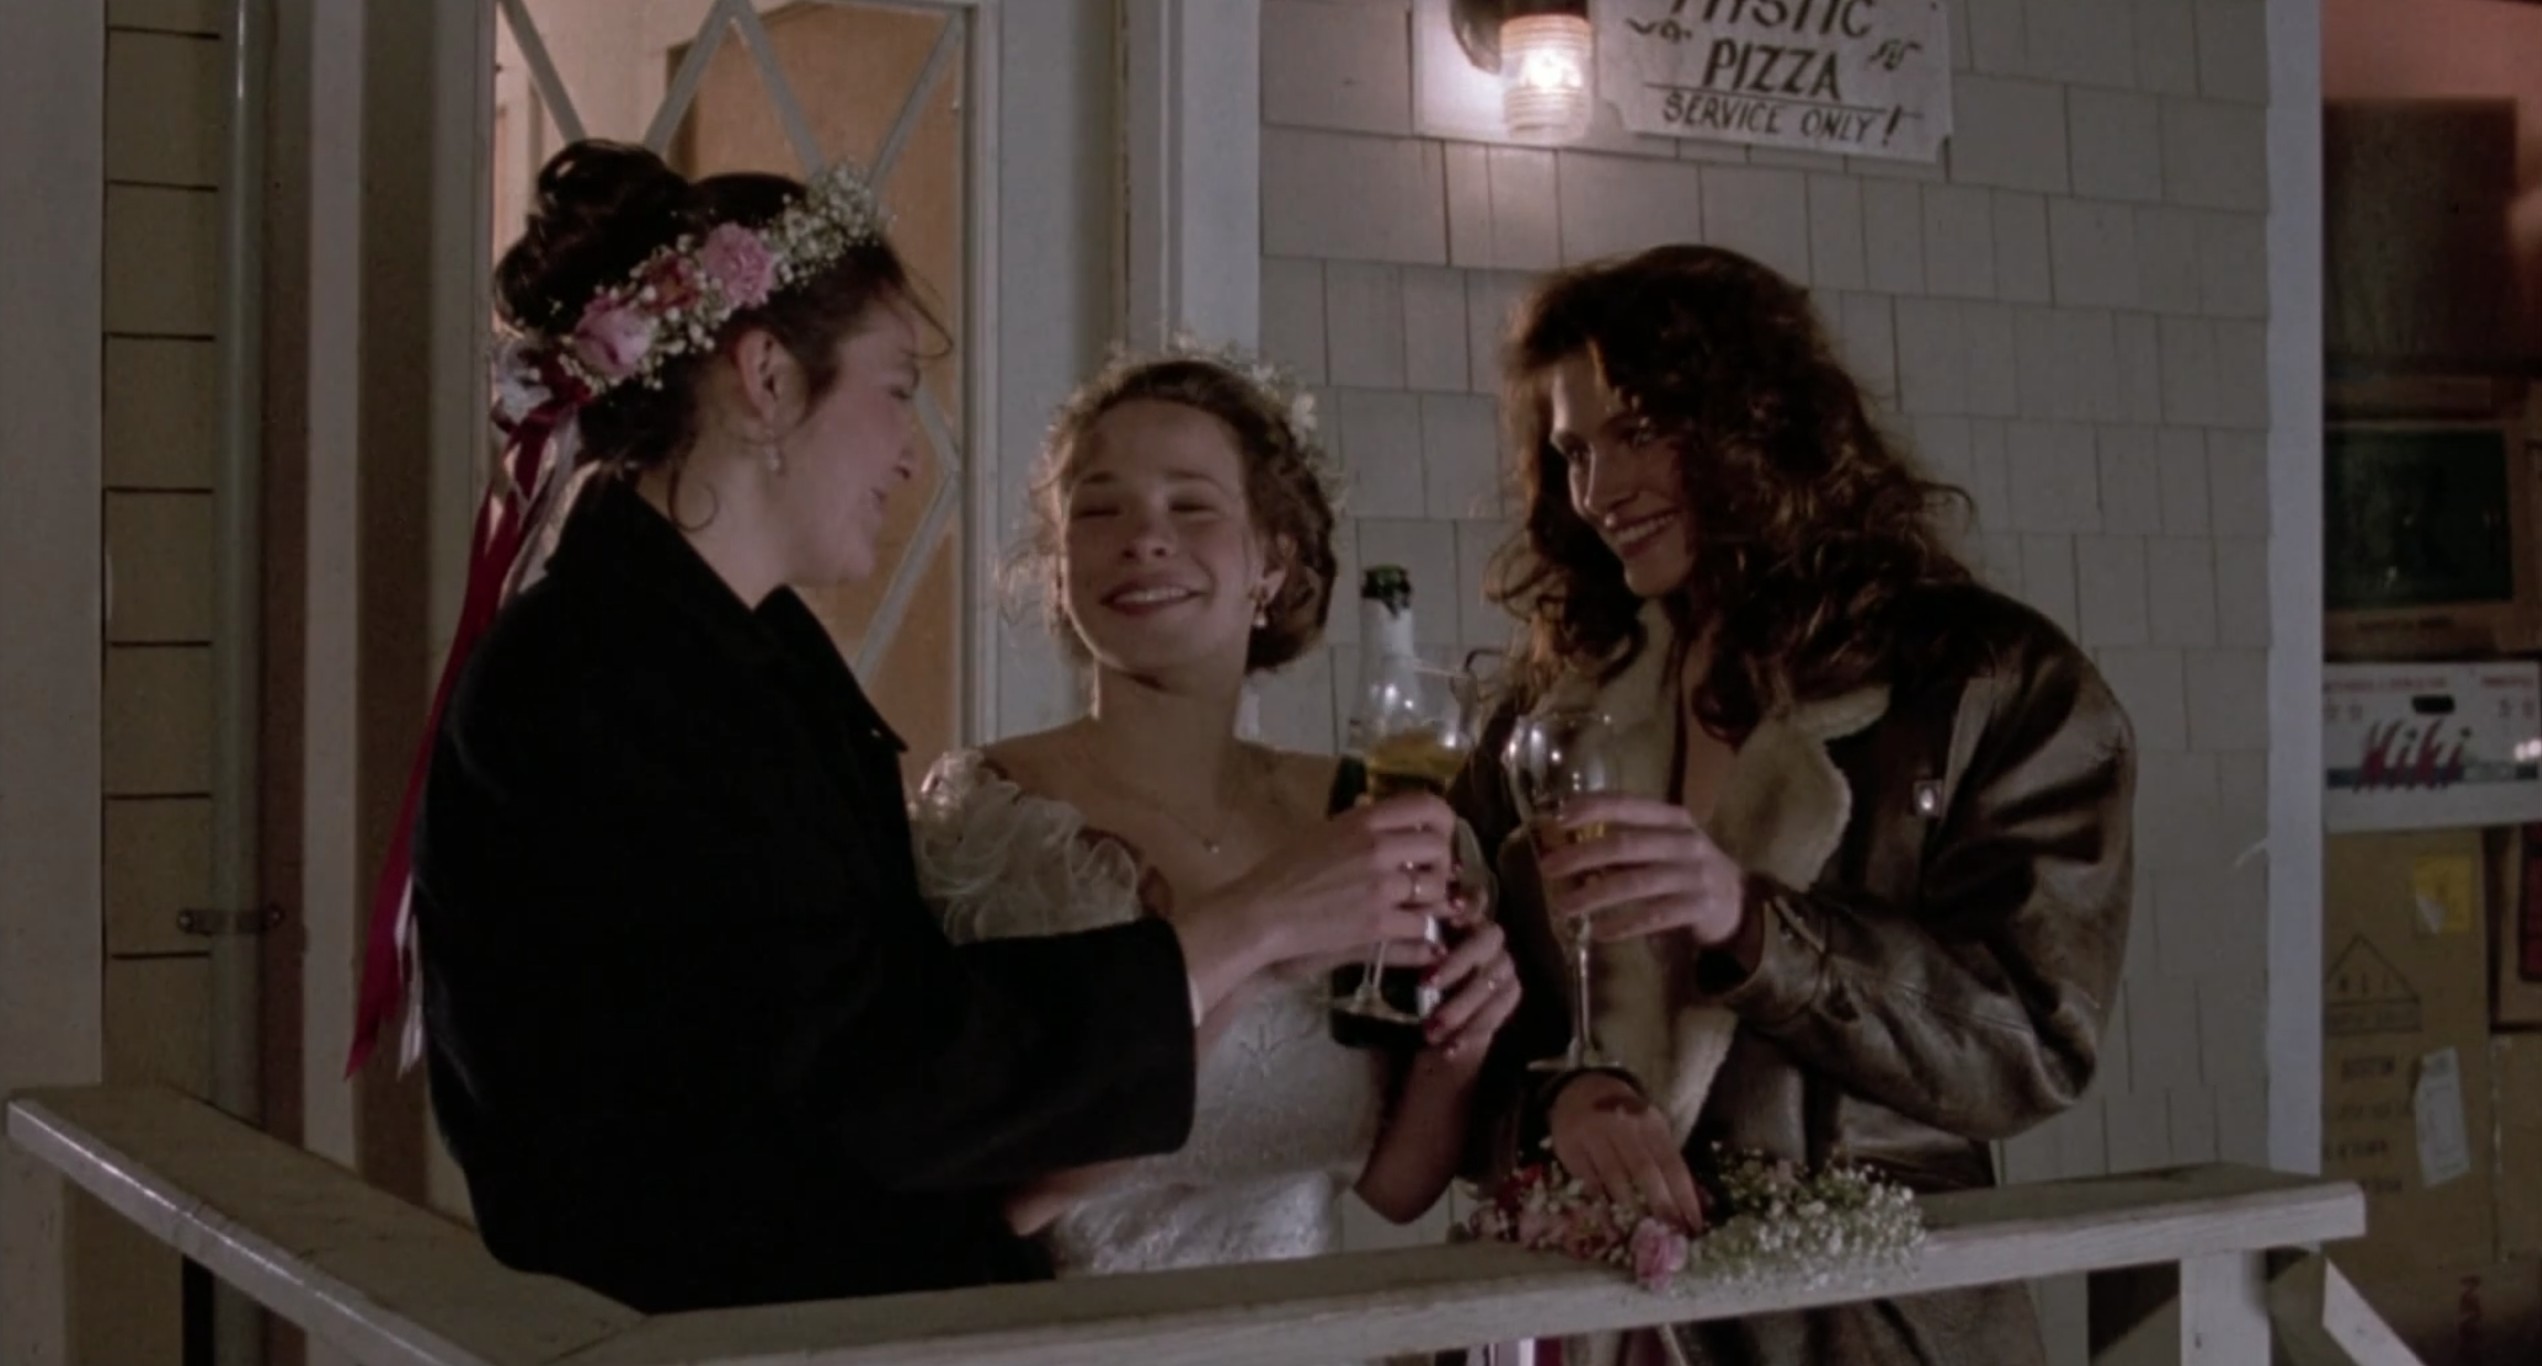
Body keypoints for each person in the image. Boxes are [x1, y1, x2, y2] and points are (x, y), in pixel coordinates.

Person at [371, 141, 1453, 1314]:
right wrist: (1246, 927)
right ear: (768, 380)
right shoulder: (600, 675)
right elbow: (858, 1072)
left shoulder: (752, 653)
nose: (907, 451)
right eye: (894, 388)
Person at [1453, 244, 2136, 1366]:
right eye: (1572, 452)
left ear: (1758, 422)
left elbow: (2028, 1043)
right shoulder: (1554, 712)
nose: (1599, 492)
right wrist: (1560, 1099)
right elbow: (1465, 1015)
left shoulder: (1991, 682)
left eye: (1637, 433)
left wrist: (1752, 924)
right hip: (1594, 1320)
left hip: (1865, 1329)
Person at [909, 342, 1524, 1276]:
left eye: (1190, 506)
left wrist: (1458, 1043)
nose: (1142, 538)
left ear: (1271, 563)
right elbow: (994, 1197)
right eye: (1098, 508)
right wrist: (1258, 944)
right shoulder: (982, 827)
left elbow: (1396, 1192)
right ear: (1060, 563)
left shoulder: (1358, 811)